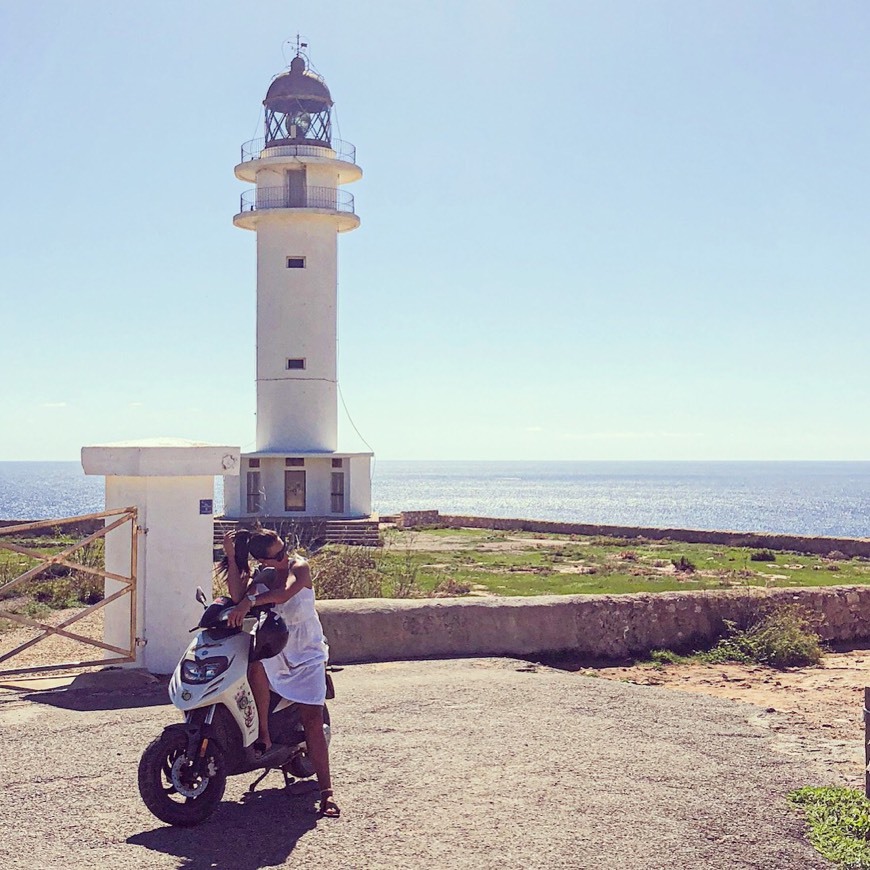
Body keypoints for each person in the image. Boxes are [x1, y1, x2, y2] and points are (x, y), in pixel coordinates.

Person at [220, 528, 340, 818]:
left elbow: (285, 593)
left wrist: (251, 602)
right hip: (279, 649)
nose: (285, 555)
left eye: (284, 548)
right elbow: (237, 595)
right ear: (263, 560)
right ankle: (264, 734)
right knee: (255, 666)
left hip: (308, 652)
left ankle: (327, 793)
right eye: (277, 555)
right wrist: (232, 557)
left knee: (312, 720)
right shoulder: (263, 577)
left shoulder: (300, 567)